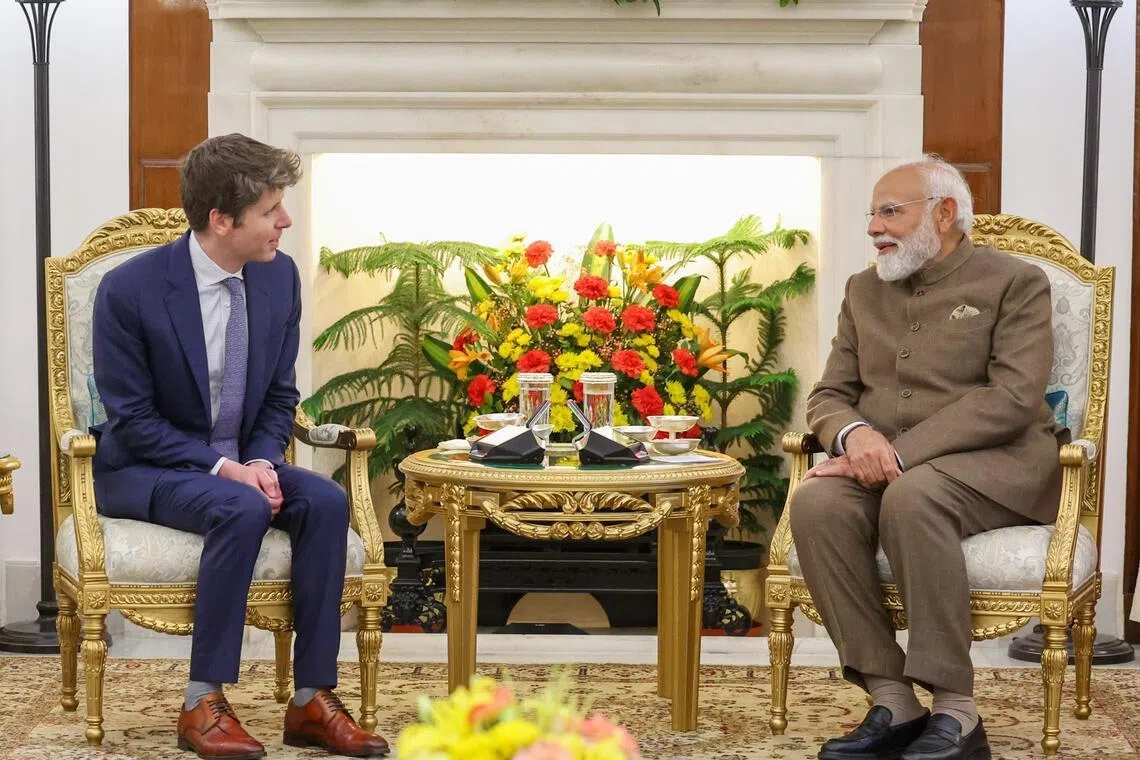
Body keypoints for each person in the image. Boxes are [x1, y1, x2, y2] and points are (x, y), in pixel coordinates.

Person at [91, 133, 389, 759]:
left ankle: (311, 699)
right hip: (148, 467)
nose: (285, 220)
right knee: (242, 506)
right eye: (270, 209)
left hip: (242, 458)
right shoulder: (129, 291)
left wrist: (257, 460)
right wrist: (226, 468)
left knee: (327, 502)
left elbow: (281, 393)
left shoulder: (278, 277)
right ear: (221, 220)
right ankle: (202, 701)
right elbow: (134, 420)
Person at [790, 156, 1064, 760]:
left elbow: (1013, 398)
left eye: (891, 211)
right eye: (872, 213)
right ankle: (894, 700)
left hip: (1001, 462)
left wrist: (897, 453)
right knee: (816, 501)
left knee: (914, 494)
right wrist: (854, 436)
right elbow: (830, 394)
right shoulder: (863, 289)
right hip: (884, 461)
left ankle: (958, 711)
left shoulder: (1014, 282)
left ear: (944, 214)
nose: (873, 227)